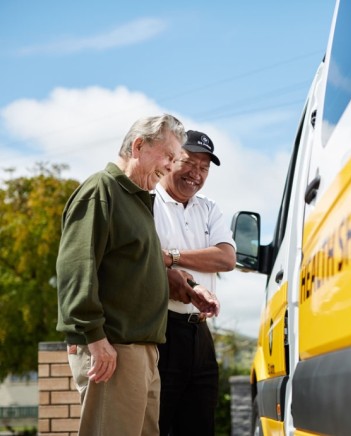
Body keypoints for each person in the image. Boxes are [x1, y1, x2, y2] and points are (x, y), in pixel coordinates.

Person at [56, 115, 219, 436]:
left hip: (143, 348)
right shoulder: (101, 191)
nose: (172, 167)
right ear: (139, 146)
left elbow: (140, 266)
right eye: (169, 157)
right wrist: (95, 338)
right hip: (114, 347)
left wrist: (186, 285)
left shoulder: (137, 200)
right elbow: (75, 268)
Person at [153, 130, 236, 435]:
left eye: (204, 168)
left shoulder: (209, 207)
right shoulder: (148, 203)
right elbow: (144, 263)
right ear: (170, 159)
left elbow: (225, 259)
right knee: (158, 424)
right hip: (161, 330)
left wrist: (171, 257)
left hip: (200, 331)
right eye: (189, 162)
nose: (196, 174)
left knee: (200, 424)